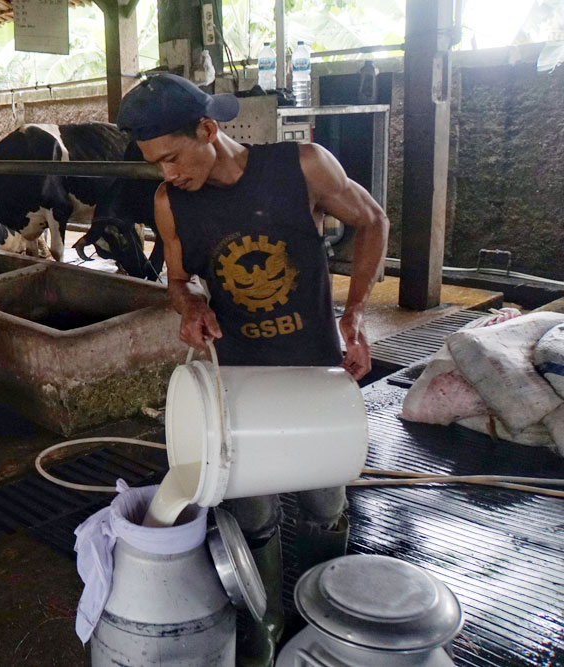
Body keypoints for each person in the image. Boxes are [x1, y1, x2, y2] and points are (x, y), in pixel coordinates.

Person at [116, 73, 389, 666]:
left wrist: (357, 313)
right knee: (253, 509)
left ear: (208, 130)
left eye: (171, 157)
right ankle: (266, 621)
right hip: (236, 379)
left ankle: (324, 614)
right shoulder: (171, 203)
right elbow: (177, 279)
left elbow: (372, 221)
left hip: (313, 368)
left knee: (323, 501)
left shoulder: (304, 166)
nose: (166, 173)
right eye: (154, 164)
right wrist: (190, 308)